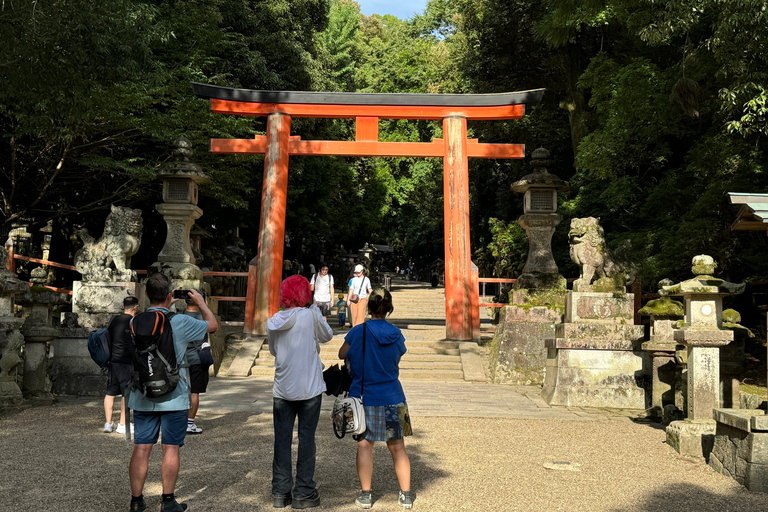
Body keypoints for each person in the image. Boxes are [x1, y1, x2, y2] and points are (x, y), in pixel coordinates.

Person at [127, 273, 218, 512]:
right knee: (170, 448)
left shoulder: (134, 322)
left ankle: (136, 501)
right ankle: (167, 502)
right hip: (174, 394)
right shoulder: (179, 321)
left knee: (141, 448)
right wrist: (201, 303)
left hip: (143, 394)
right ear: (170, 296)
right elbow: (212, 325)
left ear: (146, 295)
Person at [337, 288, 414, 510]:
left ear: (369, 307)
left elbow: (342, 354)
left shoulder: (358, 332)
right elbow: (399, 353)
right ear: (389, 309)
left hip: (364, 397)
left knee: (364, 445)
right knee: (398, 447)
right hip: (393, 395)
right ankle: (406, 495)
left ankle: (365, 494)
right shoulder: (396, 334)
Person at [268, 275, 333, 509]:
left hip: (283, 388)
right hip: (309, 387)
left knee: (282, 440)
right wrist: (316, 311)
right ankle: (303, 491)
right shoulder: (310, 315)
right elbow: (327, 336)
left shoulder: (273, 320)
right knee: (306, 439)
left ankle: (280, 491)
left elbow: (274, 350)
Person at [104, 296, 140, 434]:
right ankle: (122, 424)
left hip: (113, 359)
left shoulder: (114, 320)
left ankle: (108, 423)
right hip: (126, 361)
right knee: (126, 393)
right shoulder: (133, 321)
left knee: (110, 391)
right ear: (135, 307)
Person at [183, 299, 212, 435]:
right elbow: (213, 328)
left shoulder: (179, 316)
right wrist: (204, 307)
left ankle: (179, 420)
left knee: (182, 390)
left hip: (182, 358)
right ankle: (189, 422)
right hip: (197, 358)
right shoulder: (204, 318)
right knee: (195, 391)